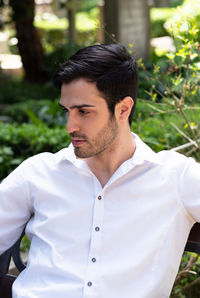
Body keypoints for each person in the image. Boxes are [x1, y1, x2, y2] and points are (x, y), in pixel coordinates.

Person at [0, 43, 200, 298]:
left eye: (84, 112)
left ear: (123, 109)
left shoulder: (176, 178)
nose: (70, 126)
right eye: (67, 111)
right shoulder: (38, 173)